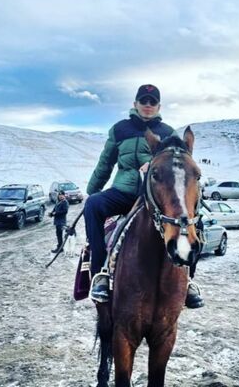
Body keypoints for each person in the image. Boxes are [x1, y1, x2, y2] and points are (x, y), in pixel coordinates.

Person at [84, 84, 204, 308]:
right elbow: (105, 163)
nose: (148, 105)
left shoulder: (168, 132)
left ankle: (188, 280)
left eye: (152, 102)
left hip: (154, 196)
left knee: (193, 218)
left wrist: (154, 166)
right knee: (92, 204)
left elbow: (176, 165)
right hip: (123, 192)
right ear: (135, 104)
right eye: (143, 101)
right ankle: (100, 274)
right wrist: (92, 189)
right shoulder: (119, 130)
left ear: (158, 106)